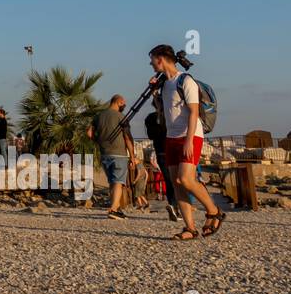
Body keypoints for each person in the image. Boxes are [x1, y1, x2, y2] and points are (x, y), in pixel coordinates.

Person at [148, 44, 225, 240]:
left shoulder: (186, 81)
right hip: (171, 136)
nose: (151, 63)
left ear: (161, 58)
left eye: (152, 59)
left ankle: (214, 211)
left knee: (186, 179)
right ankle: (189, 228)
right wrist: (154, 92)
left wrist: (189, 140)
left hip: (190, 135)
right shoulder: (165, 84)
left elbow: (193, 112)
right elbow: (161, 111)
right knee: (176, 184)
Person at [87, 94, 136, 219]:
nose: (124, 105)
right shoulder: (121, 116)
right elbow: (127, 137)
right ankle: (113, 209)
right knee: (118, 182)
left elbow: (89, 133)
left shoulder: (99, 116)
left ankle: (116, 207)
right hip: (119, 153)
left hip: (104, 153)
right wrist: (132, 156)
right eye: (123, 103)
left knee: (112, 183)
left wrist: (99, 142)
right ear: (119, 102)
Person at [143, 110, 179, 220]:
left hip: (160, 154)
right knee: (177, 181)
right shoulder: (166, 122)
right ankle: (179, 206)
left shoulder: (151, 124)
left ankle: (173, 205)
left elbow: (150, 136)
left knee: (168, 181)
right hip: (172, 152)